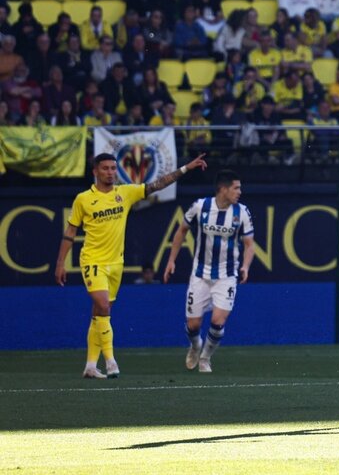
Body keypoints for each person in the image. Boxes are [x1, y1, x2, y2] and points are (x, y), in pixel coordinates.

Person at [54, 151, 206, 378]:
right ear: (95, 171)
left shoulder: (124, 193)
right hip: (92, 260)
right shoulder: (83, 199)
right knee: (103, 306)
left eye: (113, 168)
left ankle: (90, 366)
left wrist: (186, 168)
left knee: (100, 312)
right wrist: (60, 263)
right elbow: (70, 232)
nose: (110, 172)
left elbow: (157, 184)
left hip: (116, 263)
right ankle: (111, 361)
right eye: (105, 168)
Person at [164, 169, 257, 373]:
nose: (240, 192)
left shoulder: (242, 212)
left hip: (227, 276)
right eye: (236, 188)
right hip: (200, 274)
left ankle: (205, 357)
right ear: (223, 189)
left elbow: (249, 244)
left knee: (217, 321)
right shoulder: (200, 206)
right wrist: (171, 260)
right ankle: (195, 346)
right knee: (193, 325)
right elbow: (181, 230)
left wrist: (245, 266)